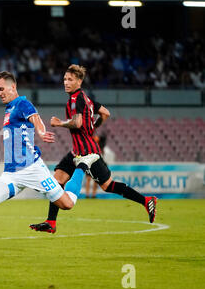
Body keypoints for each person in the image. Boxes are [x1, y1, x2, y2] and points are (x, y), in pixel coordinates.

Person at [0, 71, 101, 256]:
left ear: (12, 87)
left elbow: (35, 118)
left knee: (67, 203)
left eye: (1, 89)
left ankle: (82, 166)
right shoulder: (8, 109)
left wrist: (40, 132)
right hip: (11, 174)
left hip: (32, 169)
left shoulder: (22, 103)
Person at [29, 64, 157, 235]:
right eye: (65, 79)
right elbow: (105, 113)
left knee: (106, 185)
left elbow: (78, 123)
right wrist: (92, 128)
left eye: (70, 79)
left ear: (79, 81)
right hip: (79, 149)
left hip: (87, 152)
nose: (66, 82)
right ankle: (51, 221)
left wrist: (59, 123)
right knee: (59, 178)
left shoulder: (76, 100)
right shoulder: (87, 99)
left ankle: (146, 200)